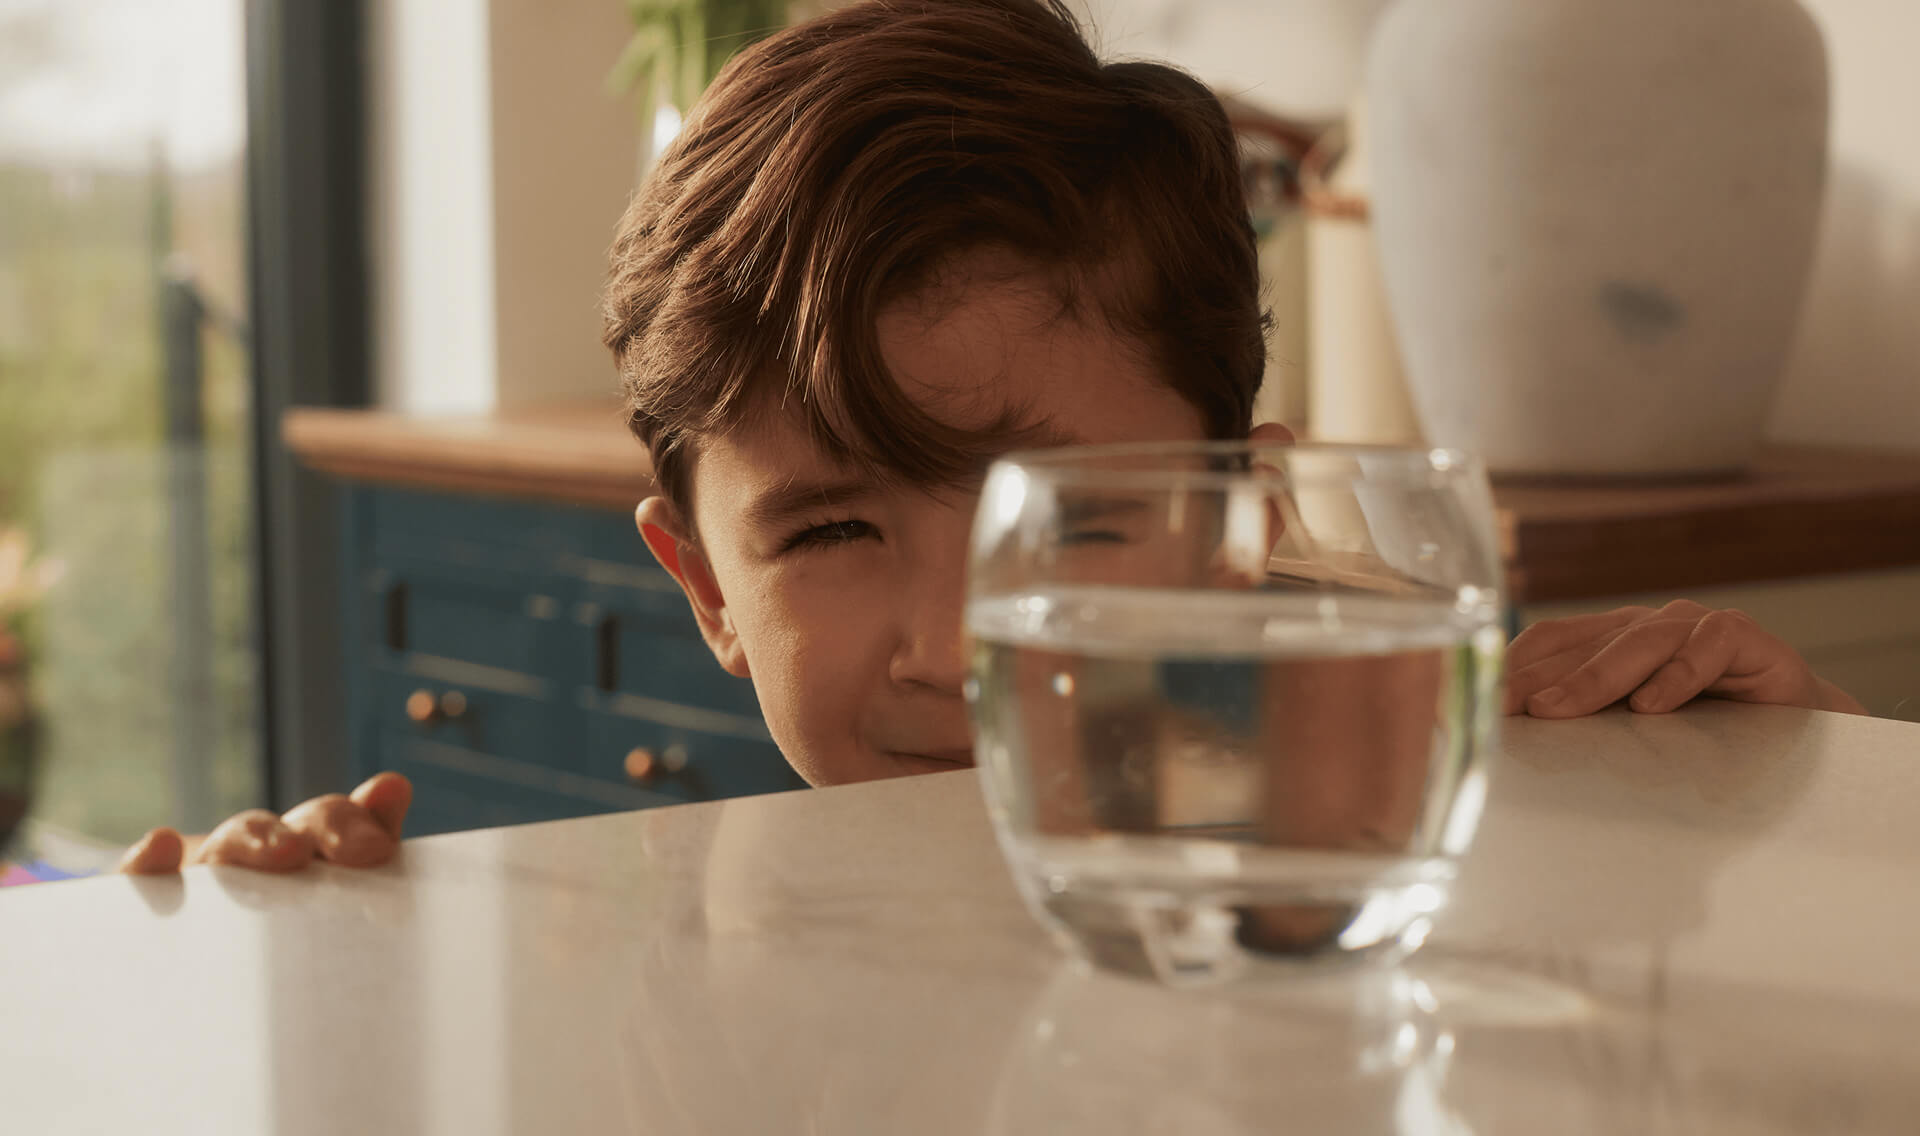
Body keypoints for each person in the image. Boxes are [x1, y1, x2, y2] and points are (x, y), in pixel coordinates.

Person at [119, 0, 1865, 876]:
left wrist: (1795, 798)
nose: (963, 648)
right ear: (702, 585)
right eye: (828, 533)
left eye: (1072, 526)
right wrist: (286, 951)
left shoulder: (1399, 829)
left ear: (1242, 511)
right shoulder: (706, 943)